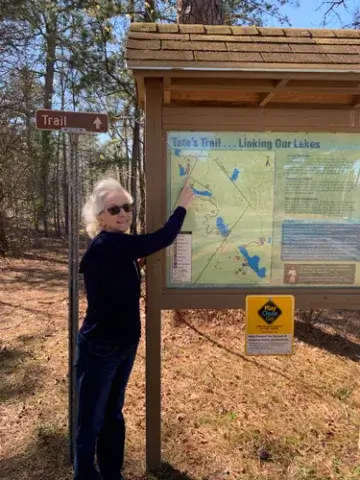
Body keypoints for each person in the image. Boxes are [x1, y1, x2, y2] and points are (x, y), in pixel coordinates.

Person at [74, 177, 195, 480]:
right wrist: (182, 206)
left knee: (112, 414)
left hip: (124, 343)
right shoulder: (109, 242)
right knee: (91, 420)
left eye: (126, 207)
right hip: (101, 347)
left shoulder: (114, 249)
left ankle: (112, 474)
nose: (123, 214)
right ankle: (86, 474)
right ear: (99, 216)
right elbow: (162, 238)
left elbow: (113, 278)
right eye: (114, 209)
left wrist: (135, 266)